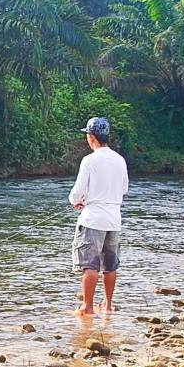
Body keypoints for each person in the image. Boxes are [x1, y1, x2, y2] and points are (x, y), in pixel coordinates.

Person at [68, 117, 129, 316]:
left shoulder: (89, 160)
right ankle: (108, 305)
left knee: (89, 265)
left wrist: (76, 201)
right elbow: (124, 189)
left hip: (92, 219)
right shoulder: (120, 159)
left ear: (91, 137)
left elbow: (77, 194)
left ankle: (87, 307)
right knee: (110, 265)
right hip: (114, 220)